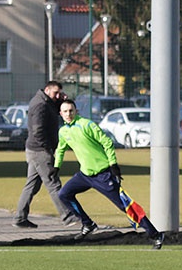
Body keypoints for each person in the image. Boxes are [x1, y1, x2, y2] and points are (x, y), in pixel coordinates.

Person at [54, 99, 164, 249]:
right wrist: (56, 167)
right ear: (60, 114)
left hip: (103, 174)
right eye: (65, 111)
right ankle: (88, 224)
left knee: (125, 205)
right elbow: (60, 149)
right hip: (85, 175)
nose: (68, 114)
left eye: (71, 110)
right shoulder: (63, 131)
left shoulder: (87, 124)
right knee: (64, 194)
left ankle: (156, 235)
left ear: (76, 111)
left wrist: (113, 165)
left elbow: (107, 142)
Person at [14, 80, 76, 228]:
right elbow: (38, 131)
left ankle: (20, 218)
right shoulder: (40, 105)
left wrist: (62, 100)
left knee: (32, 186)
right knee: (53, 184)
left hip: (35, 150)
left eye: (59, 93)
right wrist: (48, 149)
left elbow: (55, 111)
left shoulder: (45, 102)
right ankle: (68, 216)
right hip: (40, 151)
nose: (58, 95)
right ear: (47, 90)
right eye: (56, 93)